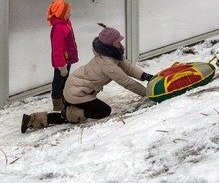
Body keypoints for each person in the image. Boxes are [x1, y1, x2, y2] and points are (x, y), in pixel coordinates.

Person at [21, 24, 154, 133]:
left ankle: (33, 119)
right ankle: (53, 116)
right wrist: (147, 93)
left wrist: (145, 76)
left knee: (77, 111)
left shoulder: (112, 55)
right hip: (77, 92)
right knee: (103, 111)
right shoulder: (107, 63)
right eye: (117, 41)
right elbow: (126, 82)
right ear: (110, 44)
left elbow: (127, 67)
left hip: (75, 87)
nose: (120, 42)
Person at [47, 0, 78, 111]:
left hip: (67, 59)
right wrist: (61, 65)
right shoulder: (59, 29)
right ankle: (57, 102)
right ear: (61, 14)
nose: (70, 13)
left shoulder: (65, 23)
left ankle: (64, 97)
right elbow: (57, 49)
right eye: (68, 12)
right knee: (58, 81)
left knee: (64, 80)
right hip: (62, 62)